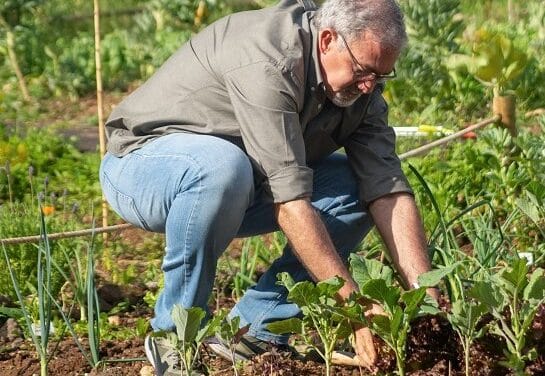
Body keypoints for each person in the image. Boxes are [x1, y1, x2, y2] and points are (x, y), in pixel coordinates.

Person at [99, 0, 438, 374]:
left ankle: (256, 329)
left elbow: (388, 190)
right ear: (327, 40)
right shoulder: (269, 61)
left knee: (356, 185)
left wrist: (427, 304)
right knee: (222, 167)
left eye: (381, 76)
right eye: (363, 70)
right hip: (144, 167)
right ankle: (175, 337)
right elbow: (290, 203)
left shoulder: (362, 90)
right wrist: (353, 310)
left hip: (241, 182)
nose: (370, 85)